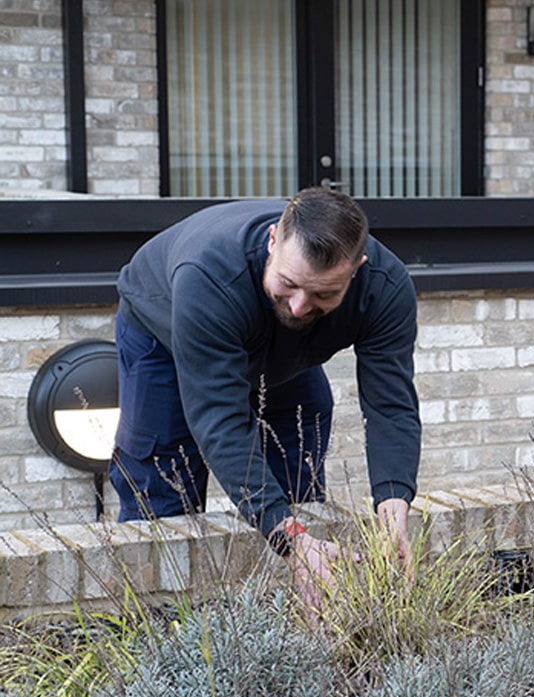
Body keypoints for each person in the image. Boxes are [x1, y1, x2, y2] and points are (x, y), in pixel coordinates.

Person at [110, 187, 420, 615]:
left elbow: (390, 405)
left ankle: (302, 612)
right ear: (273, 241)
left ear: (357, 270)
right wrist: (288, 538)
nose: (297, 306)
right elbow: (220, 419)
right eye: (289, 284)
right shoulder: (209, 273)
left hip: (280, 353)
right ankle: (155, 632)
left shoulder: (385, 287)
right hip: (162, 333)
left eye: (323, 294)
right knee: (164, 478)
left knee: (298, 468)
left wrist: (393, 509)